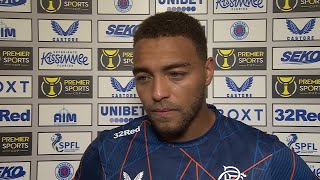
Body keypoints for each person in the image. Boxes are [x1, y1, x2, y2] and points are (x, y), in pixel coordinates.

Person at [73, 11, 317, 180]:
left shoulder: (267, 157)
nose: (157, 93)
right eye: (144, 77)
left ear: (208, 71)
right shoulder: (106, 151)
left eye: (176, 74)